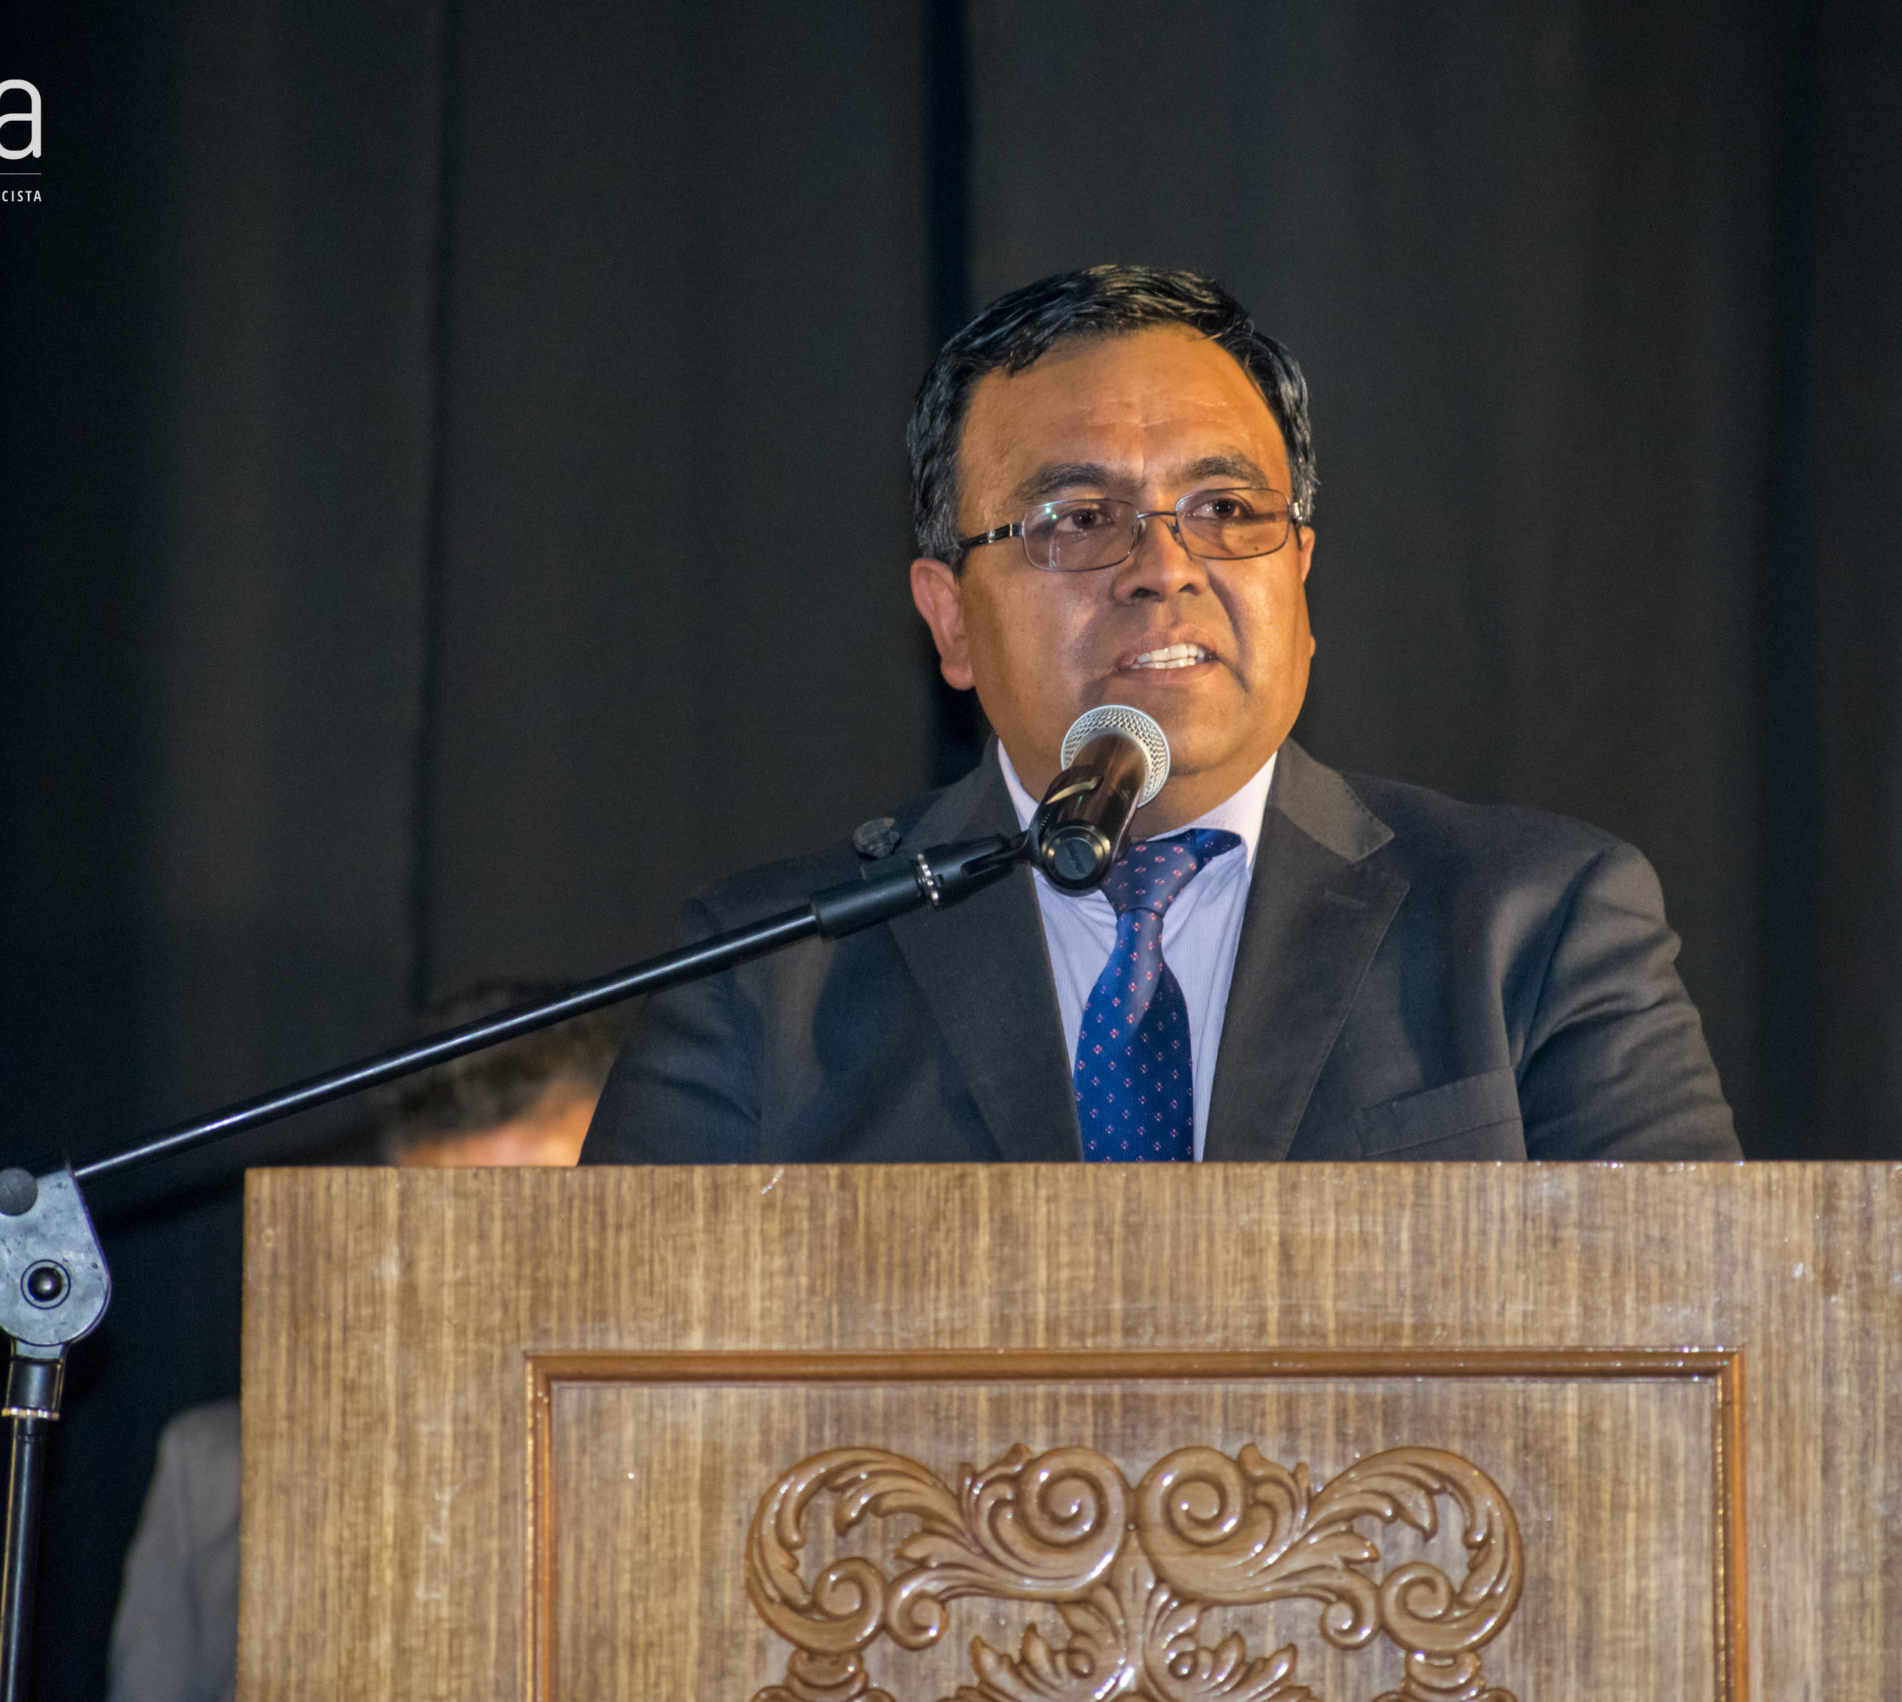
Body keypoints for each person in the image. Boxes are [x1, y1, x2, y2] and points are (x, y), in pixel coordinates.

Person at [584, 265, 1739, 1166]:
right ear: (949, 619)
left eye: (1226, 508)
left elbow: (1701, 1331)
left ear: (1299, 579)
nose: (1165, 567)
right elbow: (613, 1374)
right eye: (1078, 519)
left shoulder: (1533, 926)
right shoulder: (767, 976)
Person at [104, 990, 625, 1702]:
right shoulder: (221, 1472)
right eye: (461, 1227)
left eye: (550, 1219)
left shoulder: (731, 1469)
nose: (509, 1269)